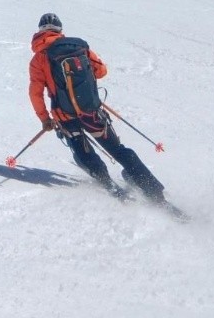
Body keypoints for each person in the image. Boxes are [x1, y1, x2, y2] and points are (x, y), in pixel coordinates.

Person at [28, 12, 165, 202]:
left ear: (40, 32)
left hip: (65, 117)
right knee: (118, 150)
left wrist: (45, 119)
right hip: (91, 111)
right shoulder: (79, 47)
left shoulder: (38, 59)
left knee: (81, 150)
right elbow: (101, 71)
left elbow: (35, 93)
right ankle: (153, 190)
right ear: (60, 30)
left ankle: (107, 183)